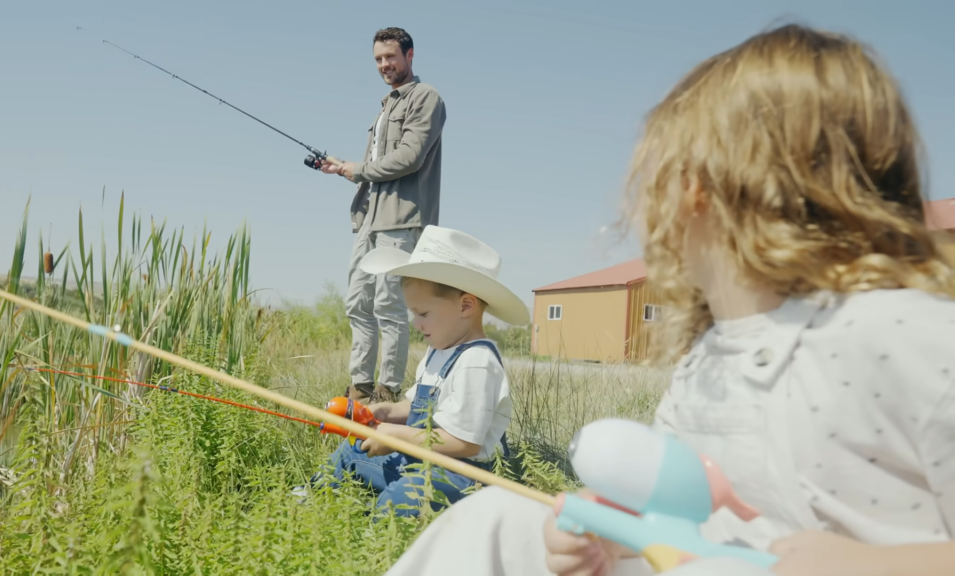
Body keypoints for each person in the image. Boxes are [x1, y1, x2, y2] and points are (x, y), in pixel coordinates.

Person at [384, 23, 955, 576]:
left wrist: (880, 566)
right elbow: (674, 503)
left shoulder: (910, 338)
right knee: (498, 521)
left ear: (706, 188)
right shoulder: (713, 354)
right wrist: (610, 529)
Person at [307, 225, 531, 518]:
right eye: (413, 313)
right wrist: (384, 413)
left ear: (466, 305)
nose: (415, 324)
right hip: (419, 458)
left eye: (423, 314)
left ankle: (379, 535)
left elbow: (464, 442)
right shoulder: (439, 350)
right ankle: (308, 501)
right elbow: (415, 406)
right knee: (352, 451)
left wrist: (394, 437)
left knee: (401, 497)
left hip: (463, 475)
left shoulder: (477, 361)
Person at [321, 27, 447, 403]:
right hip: (370, 221)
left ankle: (387, 392)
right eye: (378, 59)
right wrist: (342, 167)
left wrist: (356, 168)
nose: (384, 64)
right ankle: (359, 390)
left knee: (389, 305)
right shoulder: (385, 108)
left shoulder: (426, 98)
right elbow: (378, 168)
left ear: (410, 55)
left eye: (390, 57)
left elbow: (409, 157)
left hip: (403, 221)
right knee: (357, 303)